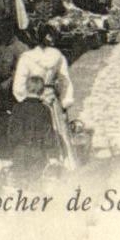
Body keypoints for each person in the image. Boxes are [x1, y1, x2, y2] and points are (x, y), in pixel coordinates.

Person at [13, 25, 76, 167]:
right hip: (52, 99)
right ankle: (61, 163)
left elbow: (18, 85)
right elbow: (64, 81)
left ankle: (38, 164)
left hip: (34, 98)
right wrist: (65, 102)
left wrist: (26, 101)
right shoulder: (58, 56)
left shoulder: (27, 58)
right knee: (56, 130)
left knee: (35, 131)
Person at [7, 73, 60, 181]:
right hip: (37, 152)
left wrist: (14, 148)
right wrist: (53, 153)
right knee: (35, 184)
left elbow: (12, 132)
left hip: (20, 152)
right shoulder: (44, 109)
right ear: (41, 90)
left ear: (27, 88)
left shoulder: (18, 108)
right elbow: (47, 133)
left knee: (20, 184)